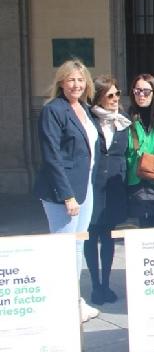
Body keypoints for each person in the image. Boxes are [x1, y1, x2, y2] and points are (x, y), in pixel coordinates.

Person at [34, 59, 102, 323]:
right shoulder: (54, 110)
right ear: (61, 82)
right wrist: (67, 195)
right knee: (63, 248)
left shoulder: (84, 109)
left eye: (81, 79)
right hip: (63, 193)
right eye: (71, 79)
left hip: (84, 188)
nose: (76, 84)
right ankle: (64, 303)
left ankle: (73, 300)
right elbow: (52, 156)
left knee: (77, 246)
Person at [84, 76, 130, 305]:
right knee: (91, 235)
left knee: (108, 236)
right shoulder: (88, 119)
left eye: (117, 94)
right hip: (93, 185)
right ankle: (95, 284)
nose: (114, 99)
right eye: (110, 95)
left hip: (114, 185)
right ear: (99, 96)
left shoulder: (123, 120)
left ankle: (106, 282)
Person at [126, 73, 154, 228]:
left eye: (146, 91)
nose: (141, 95)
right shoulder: (127, 117)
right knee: (143, 233)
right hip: (136, 181)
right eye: (137, 91)